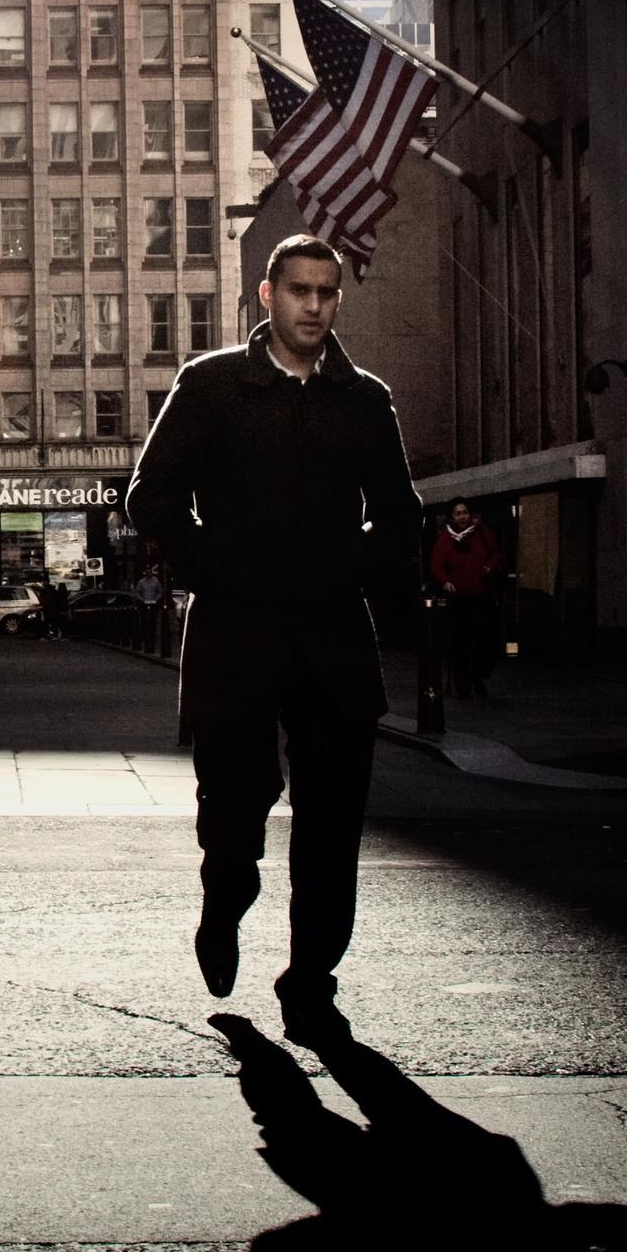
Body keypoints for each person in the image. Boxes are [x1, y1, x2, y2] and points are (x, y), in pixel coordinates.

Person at [124, 234, 422, 1047]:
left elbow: (401, 517)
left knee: (332, 821)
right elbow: (148, 498)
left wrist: (348, 565)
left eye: (328, 293)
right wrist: (215, 564)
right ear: (268, 295)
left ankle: (311, 980)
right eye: (300, 291)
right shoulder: (213, 385)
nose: (315, 307)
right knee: (234, 803)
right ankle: (225, 900)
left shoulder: (363, 398)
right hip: (235, 632)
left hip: (333, 637)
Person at [426, 500, 503, 699]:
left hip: (482, 595)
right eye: (458, 513)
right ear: (452, 517)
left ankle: (479, 675)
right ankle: (464, 684)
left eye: (465, 512)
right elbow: (436, 563)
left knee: (486, 639)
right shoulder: (445, 538)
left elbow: (495, 553)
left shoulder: (481, 532)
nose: (462, 517)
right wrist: (444, 581)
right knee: (461, 642)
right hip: (459, 598)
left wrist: (488, 567)